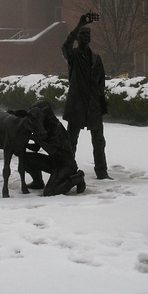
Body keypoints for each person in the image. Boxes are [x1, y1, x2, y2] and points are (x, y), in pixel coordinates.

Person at [61, 13, 111, 180]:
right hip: (77, 104)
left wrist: (101, 102)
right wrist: (78, 25)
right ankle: (67, 169)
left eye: (87, 34)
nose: (85, 37)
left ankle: (102, 172)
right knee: (71, 140)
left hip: (93, 106)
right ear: (78, 37)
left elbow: (101, 81)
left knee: (99, 141)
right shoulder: (73, 56)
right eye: (82, 34)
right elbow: (65, 45)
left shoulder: (96, 58)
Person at [24, 100, 86, 196]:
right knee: (25, 158)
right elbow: (36, 148)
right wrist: (25, 143)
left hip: (65, 165)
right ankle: (37, 182)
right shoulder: (42, 126)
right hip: (53, 161)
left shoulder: (56, 127)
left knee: (50, 192)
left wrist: (37, 139)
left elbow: (53, 151)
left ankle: (76, 178)